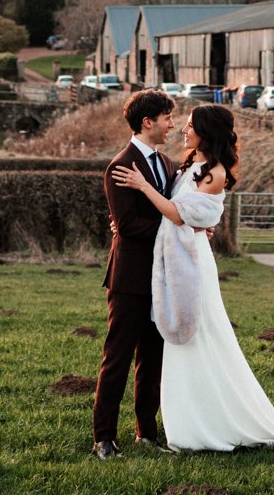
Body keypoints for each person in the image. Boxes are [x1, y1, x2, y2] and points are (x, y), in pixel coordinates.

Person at [109, 105, 274, 452]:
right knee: (182, 343)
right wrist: (126, 223)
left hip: (192, 267)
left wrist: (141, 186)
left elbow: (177, 213)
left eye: (190, 125)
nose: (183, 129)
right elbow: (174, 213)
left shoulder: (214, 172)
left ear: (206, 132)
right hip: (176, 261)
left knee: (202, 335)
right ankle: (186, 420)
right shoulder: (189, 167)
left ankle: (211, 421)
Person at [92, 90, 176, 458]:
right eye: (167, 118)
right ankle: (104, 439)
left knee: (153, 360)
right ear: (148, 122)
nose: (171, 124)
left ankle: (147, 434)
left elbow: (170, 208)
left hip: (163, 278)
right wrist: (177, 227)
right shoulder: (121, 165)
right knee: (118, 358)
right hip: (129, 278)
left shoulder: (168, 164)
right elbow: (127, 225)